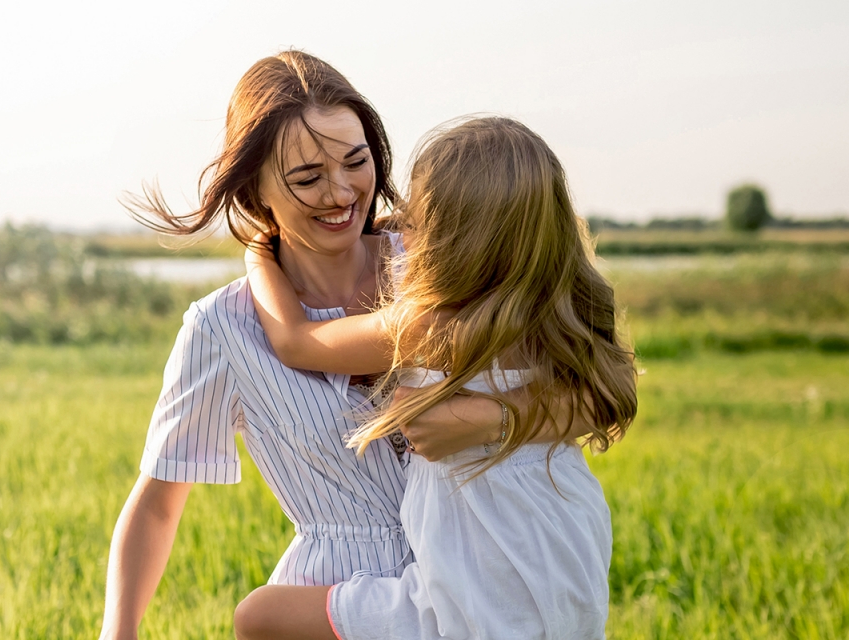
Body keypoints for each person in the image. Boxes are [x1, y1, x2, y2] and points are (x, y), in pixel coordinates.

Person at [97, 51, 517, 639]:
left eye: (356, 161)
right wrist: (118, 633)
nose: (341, 192)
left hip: (478, 583)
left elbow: (570, 383)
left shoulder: (437, 271)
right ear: (256, 188)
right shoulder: (222, 328)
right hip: (327, 604)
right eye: (307, 178)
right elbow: (159, 501)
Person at [232, 117, 639, 639]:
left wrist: (258, 253)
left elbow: (295, 341)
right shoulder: (554, 311)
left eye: (417, 219)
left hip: (473, 595)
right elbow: (610, 394)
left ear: (454, 240)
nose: (399, 226)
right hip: (565, 555)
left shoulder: (430, 326)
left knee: (259, 617)